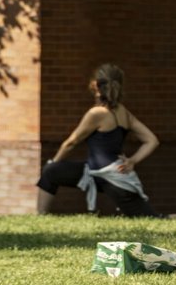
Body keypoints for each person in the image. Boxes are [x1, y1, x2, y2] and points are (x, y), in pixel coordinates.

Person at [36, 64, 158, 216]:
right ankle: (40, 216)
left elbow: (71, 142)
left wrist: (53, 161)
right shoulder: (123, 112)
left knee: (152, 217)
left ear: (97, 87)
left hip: (113, 178)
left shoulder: (96, 113)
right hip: (99, 173)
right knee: (51, 172)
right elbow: (151, 140)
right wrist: (132, 160)